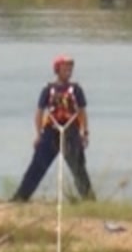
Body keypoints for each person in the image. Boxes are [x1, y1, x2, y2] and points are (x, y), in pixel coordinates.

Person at [10, 54, 95, 202]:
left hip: (71, 132)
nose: (68, 71)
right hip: (50, 132)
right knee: (37, 166)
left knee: (79, 169)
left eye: (70, 68)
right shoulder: (48, 90)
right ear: (57, 70)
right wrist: (38, 134)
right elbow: (39, 112)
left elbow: (82, 112)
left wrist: (85, 133)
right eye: (65, 68)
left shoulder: (76, 90)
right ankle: (21, 197)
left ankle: (89, 201)